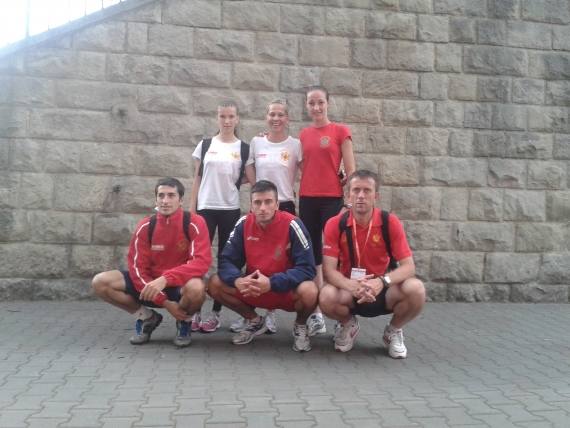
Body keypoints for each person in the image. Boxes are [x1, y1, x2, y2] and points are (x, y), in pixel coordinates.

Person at [92, 177, 212, 348]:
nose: (165, 201)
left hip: (178, 285)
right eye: (161, 196)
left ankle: (184, 321)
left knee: (197, 288)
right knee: (101, 282)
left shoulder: (195, 222)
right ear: (156, 200)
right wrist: (165, 303)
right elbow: (137, 269)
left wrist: (166, 279)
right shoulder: (146, 226)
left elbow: (201, 262)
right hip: (150, 286)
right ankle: (147, 318)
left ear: (181, 200)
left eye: (171, 195)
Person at [320, 170, 425, 358]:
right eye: (356, 190)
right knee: (326, 296)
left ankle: (393, 330)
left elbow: (409, 267)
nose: (361, 196)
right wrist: (351, 286)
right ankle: (348, 324)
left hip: (383, 288)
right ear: (348, 195)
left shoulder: (389, 222)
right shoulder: (335, 224)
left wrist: (382, 282)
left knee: (416, 289)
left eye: (367, 190)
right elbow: (328, 270)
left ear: (376, 196)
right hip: (350, 289)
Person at [208, 180, 318, 352]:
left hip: (284, 290)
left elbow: (307, 268)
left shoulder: (293, 224)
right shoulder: (243, 223)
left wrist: (272, 283)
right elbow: (226, 260)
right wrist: (237, 280)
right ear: (251, 205)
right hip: (253, 289)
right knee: (214, 283)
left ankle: (300, 325)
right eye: (257, 203)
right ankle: (254, 321)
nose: (263, 208)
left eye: (268, 202)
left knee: (310, 290)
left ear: (277, 204)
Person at [228, 99, 303, 334]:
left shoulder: (295, 145)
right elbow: (249, 168)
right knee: (257, 257)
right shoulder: (257, 142)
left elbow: (308, 171)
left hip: (284, 205)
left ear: (287, 118)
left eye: (280, 114)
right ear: (266, 117)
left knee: (281, 261)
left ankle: (272, 313)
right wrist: (257, 193)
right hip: (261, 205)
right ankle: (252, 313)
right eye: (272, 114)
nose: (276, 118)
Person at [299, 86, 356, 336]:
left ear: (328, 103)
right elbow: (296, 161)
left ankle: (340, 307)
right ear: (306, 106)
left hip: (332, 198)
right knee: (313, 255)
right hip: (307, 199)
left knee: (336, 253)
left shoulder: (340, 131)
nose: (316, 107)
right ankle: (317, 313)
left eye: (320, 102)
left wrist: (350, 201)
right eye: (311, 103)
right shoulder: (303, 134)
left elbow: (351, 171)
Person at [188, 100, 249, 333]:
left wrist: (233, 183)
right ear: (217, 118)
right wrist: (192, 210)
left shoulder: (243, 148)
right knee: (199, 260)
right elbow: (197, 178)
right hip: (205, 208)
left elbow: (248, 176)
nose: (227, 120)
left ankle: (215, 313)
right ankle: (195, 311)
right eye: (222, 116)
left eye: (231, 116)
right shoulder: (205, 145)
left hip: (229, 209)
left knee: (226, 261)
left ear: (237, 119)